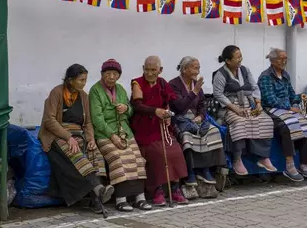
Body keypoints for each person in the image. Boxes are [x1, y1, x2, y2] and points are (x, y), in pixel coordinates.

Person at [38, 64, 112, 214]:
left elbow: (88, 122)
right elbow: (49, 120)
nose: (84, 83)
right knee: (75, 153)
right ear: (70, 80)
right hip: (58, 134)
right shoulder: (57, 93)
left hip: (80, 134)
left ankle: (95, 200)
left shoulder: (84, 96)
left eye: (85, 80)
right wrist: (68, 137)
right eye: (81, 80)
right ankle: (98, 189)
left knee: (94, 153)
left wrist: (90, 138)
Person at [88, 59, 152, 212]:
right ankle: (120, 199)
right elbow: (97, 119)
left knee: (137, 158)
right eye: (108, 73)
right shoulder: (95, 91)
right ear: (102, 74)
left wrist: (126, 108)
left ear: (118, 76)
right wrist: (112, 136)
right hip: (104, 134)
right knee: (119, 158)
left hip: (125, 131)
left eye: (115, 74)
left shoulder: (121, 89)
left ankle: (139, 198)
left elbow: (130, 111)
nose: (111, 77)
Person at [131, 56, 189, 206]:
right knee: (156, 153)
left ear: (160, 70)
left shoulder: (163, 83)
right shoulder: (137, 83)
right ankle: (157, 191)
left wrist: (167, 114)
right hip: (145, 128)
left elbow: (168, 103)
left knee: (175, 151)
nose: (149, 73)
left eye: (153, 70)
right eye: (146, 69)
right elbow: (137, 105)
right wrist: (155, 111)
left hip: (161, 127)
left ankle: (175, 189)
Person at [212, 45, 276, 176]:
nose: (240, 59)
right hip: (230, 107)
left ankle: (263, 157)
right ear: (228, 61)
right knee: (240, 123)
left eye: (241, 56)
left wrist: (258, 103)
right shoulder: (221, 74)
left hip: (249, 105)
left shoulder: (245, 70)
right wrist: (234, 108)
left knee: (266, 121)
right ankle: (237, 159)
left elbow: (254, 87)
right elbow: (218, 94)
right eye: (237, 57)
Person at [169, 56, 226, 198]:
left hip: (196, 120)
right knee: (187, 136)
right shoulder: (173, 85)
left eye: (198, 68)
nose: (197, 71)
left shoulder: (196, 85)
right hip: (180, 120)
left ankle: (206, 170)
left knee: (213, 132)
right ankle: (191, 173)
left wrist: (200, 116)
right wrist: (193, 92)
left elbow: (202, 105)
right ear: (184, 69)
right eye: (195, 68)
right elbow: (178, 106)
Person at [258, 48, 307, 181]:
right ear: (272, 61)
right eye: (280, 58)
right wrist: (289, 107)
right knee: (286, 125)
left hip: (287, 109)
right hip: (271, 109)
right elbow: (269, 99)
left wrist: (297, 100)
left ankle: (304, 163)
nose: (284, 61)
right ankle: (289, 164)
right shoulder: (266, 77)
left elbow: (291, 93)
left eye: (285, 58)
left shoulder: (285, 75)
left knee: (304, 123)